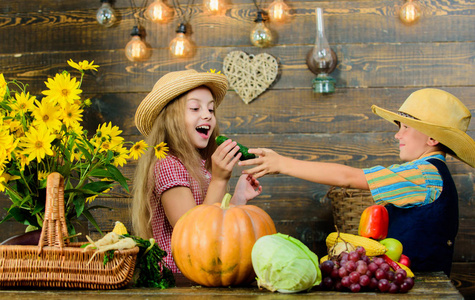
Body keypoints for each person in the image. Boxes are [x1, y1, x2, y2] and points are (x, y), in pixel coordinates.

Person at [239, 88, 475, 276]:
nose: (397, 134)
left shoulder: (423, 174)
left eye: (405, 127)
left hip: (421, 282)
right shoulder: (427, 172)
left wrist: (282, 164)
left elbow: (349, 178)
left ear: (432, 138)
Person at [132, 69, 262, 273]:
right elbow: (195, 233)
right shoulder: (167, 165)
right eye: (195, 108)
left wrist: (238, 197)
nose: (207, 115)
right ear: (171, 119)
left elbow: (216, 226)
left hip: (201, 272)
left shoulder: (200, 166)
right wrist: (219, 180)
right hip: (178, 278)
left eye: (211, 110)